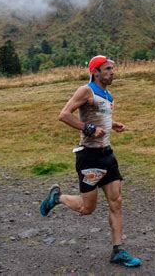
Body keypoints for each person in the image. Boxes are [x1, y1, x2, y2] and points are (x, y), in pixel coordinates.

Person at [39, 55, 141, 268]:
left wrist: (112, 124)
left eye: (113, 69)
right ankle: (57, 198)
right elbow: (64, 115)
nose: (112, 72)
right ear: (95, 71)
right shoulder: (86, 90)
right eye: (107, 69)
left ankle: (118, 250)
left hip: (107, 155)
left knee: (117, 202)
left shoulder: (108, 95)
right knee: (87, 208)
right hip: (89, 156)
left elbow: (98, 116)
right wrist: (89, 129)